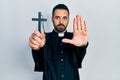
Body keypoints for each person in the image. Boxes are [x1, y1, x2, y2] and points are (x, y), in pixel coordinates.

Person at [29, 4, 89, 80]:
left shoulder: (74, 38)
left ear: (68, 19)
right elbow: (40, 63)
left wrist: (82, 46)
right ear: (52, 19)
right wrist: (38, 49)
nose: (61, 21)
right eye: (57, 18)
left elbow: (79, 59)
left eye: (64, 18)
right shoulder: (44, 38)